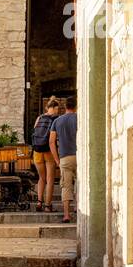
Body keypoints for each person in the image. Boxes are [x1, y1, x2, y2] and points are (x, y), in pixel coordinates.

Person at [30, 96, 62, 212]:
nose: (57, 111)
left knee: (41, 178)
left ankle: (39, 202)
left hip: (37, 151)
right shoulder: (56, 119)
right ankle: (47, 206)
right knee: (50, 180)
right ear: (53, 108)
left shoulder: (39, 118)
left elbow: (34, 132)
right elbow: (54, 138)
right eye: (57, 109)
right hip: (48, 151)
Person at [50, 96, 79, 224]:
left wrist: (57, 160)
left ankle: (66, 215)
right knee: (81, 183)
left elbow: (51, 142)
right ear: (76, 106)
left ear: (65, 107)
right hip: (79, 156)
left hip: (64, 158)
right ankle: (79, 209)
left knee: (66, 186)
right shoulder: (80, 118)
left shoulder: (57, 121)